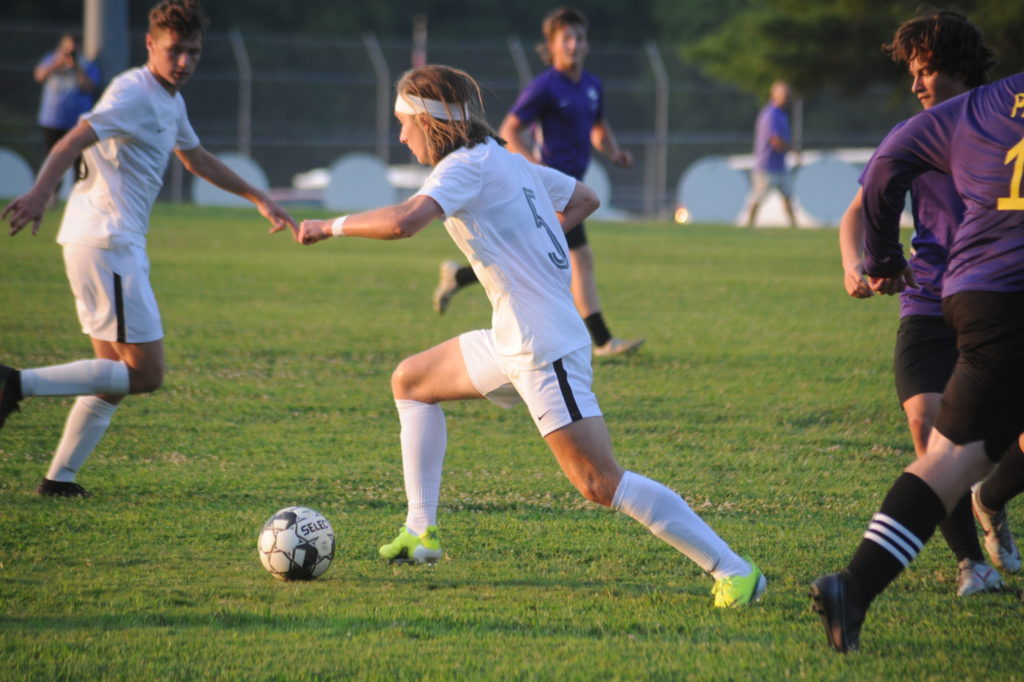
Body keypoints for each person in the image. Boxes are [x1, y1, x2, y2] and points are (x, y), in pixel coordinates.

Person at [296, 64, 766, 607]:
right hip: (514, 337)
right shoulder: (504, 159)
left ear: (429, 121)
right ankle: (420, 531)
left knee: (599, 483)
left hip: (544, 348)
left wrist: (327, 226)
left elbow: (405, 220)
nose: (401, 136)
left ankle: (734, 570)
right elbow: (584, 198)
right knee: (412, 381)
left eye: (404, 122)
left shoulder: (462, 168)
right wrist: (529, 239)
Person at [0, 0, 296, 497]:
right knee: (145, 373)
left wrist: (258, 197)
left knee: (112, 376)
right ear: (150, 45)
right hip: (108, 242)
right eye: (174, 50)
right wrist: (40, 192)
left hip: (102, 241)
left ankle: (59, 479)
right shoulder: (134, 91)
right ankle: (14, 383)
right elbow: (72, 140)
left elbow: (196, 158)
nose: (184, 61)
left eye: (193, 52)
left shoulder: (168, 100)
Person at [809, 64, 1024, 652]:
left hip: (980, 293)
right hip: (962, 298)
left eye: (926, 69)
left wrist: (881, 257)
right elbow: (873, 184)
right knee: (938, 436)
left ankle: (854, 586)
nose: (915, 84)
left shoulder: (984, 105)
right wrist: (872, 262)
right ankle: (978, 535)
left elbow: (885, 168)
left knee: (951, 455)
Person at [837, 11, 1013, 598]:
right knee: (926, 425)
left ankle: (992, 501)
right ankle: (972, 564)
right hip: (928, 299)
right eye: (911, 73)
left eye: (927, 70)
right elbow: (859, 209)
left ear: (961, 68)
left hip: (998, 298)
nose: (915, 85)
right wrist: (856, 263)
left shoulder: (1000, 122)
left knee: (992, 446)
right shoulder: (913, 133)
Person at [430, 7, 643, 358]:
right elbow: (510, 129)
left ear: (587, 44)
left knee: (526, 253)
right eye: (566, 38)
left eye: (579, 38)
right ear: (552, 46)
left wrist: (615, 152)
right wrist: (534, 170)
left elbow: (598, 127)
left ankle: (460, 277)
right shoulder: (545, 87)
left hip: (572, 188)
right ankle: (602, 341)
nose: (574, 45)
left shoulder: (592, 86)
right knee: (576, 258)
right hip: (550, 191)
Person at [34, 33, 101, 180]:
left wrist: (76, 66)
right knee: (51, 164)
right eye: (67, 49)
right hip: (53, 121)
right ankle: (51, 192)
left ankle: (78, 191)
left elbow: (89, 87)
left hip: (78, 124)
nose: (69, 53)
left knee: (80, 166)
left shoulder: (86, 64)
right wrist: (58, 62)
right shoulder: (52, 59)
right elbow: (40, 75)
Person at [745, 80, 797, 228]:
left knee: (788, 196)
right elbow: (775, 141)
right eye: (785, 95)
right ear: (774, 95)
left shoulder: (782, 114)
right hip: (766, 165)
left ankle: (794, 226)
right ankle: (749, 225)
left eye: (788, 95)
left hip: (780, 165)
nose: (787, 98)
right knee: (758, 197)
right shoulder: (770, 114)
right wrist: (792, 150)